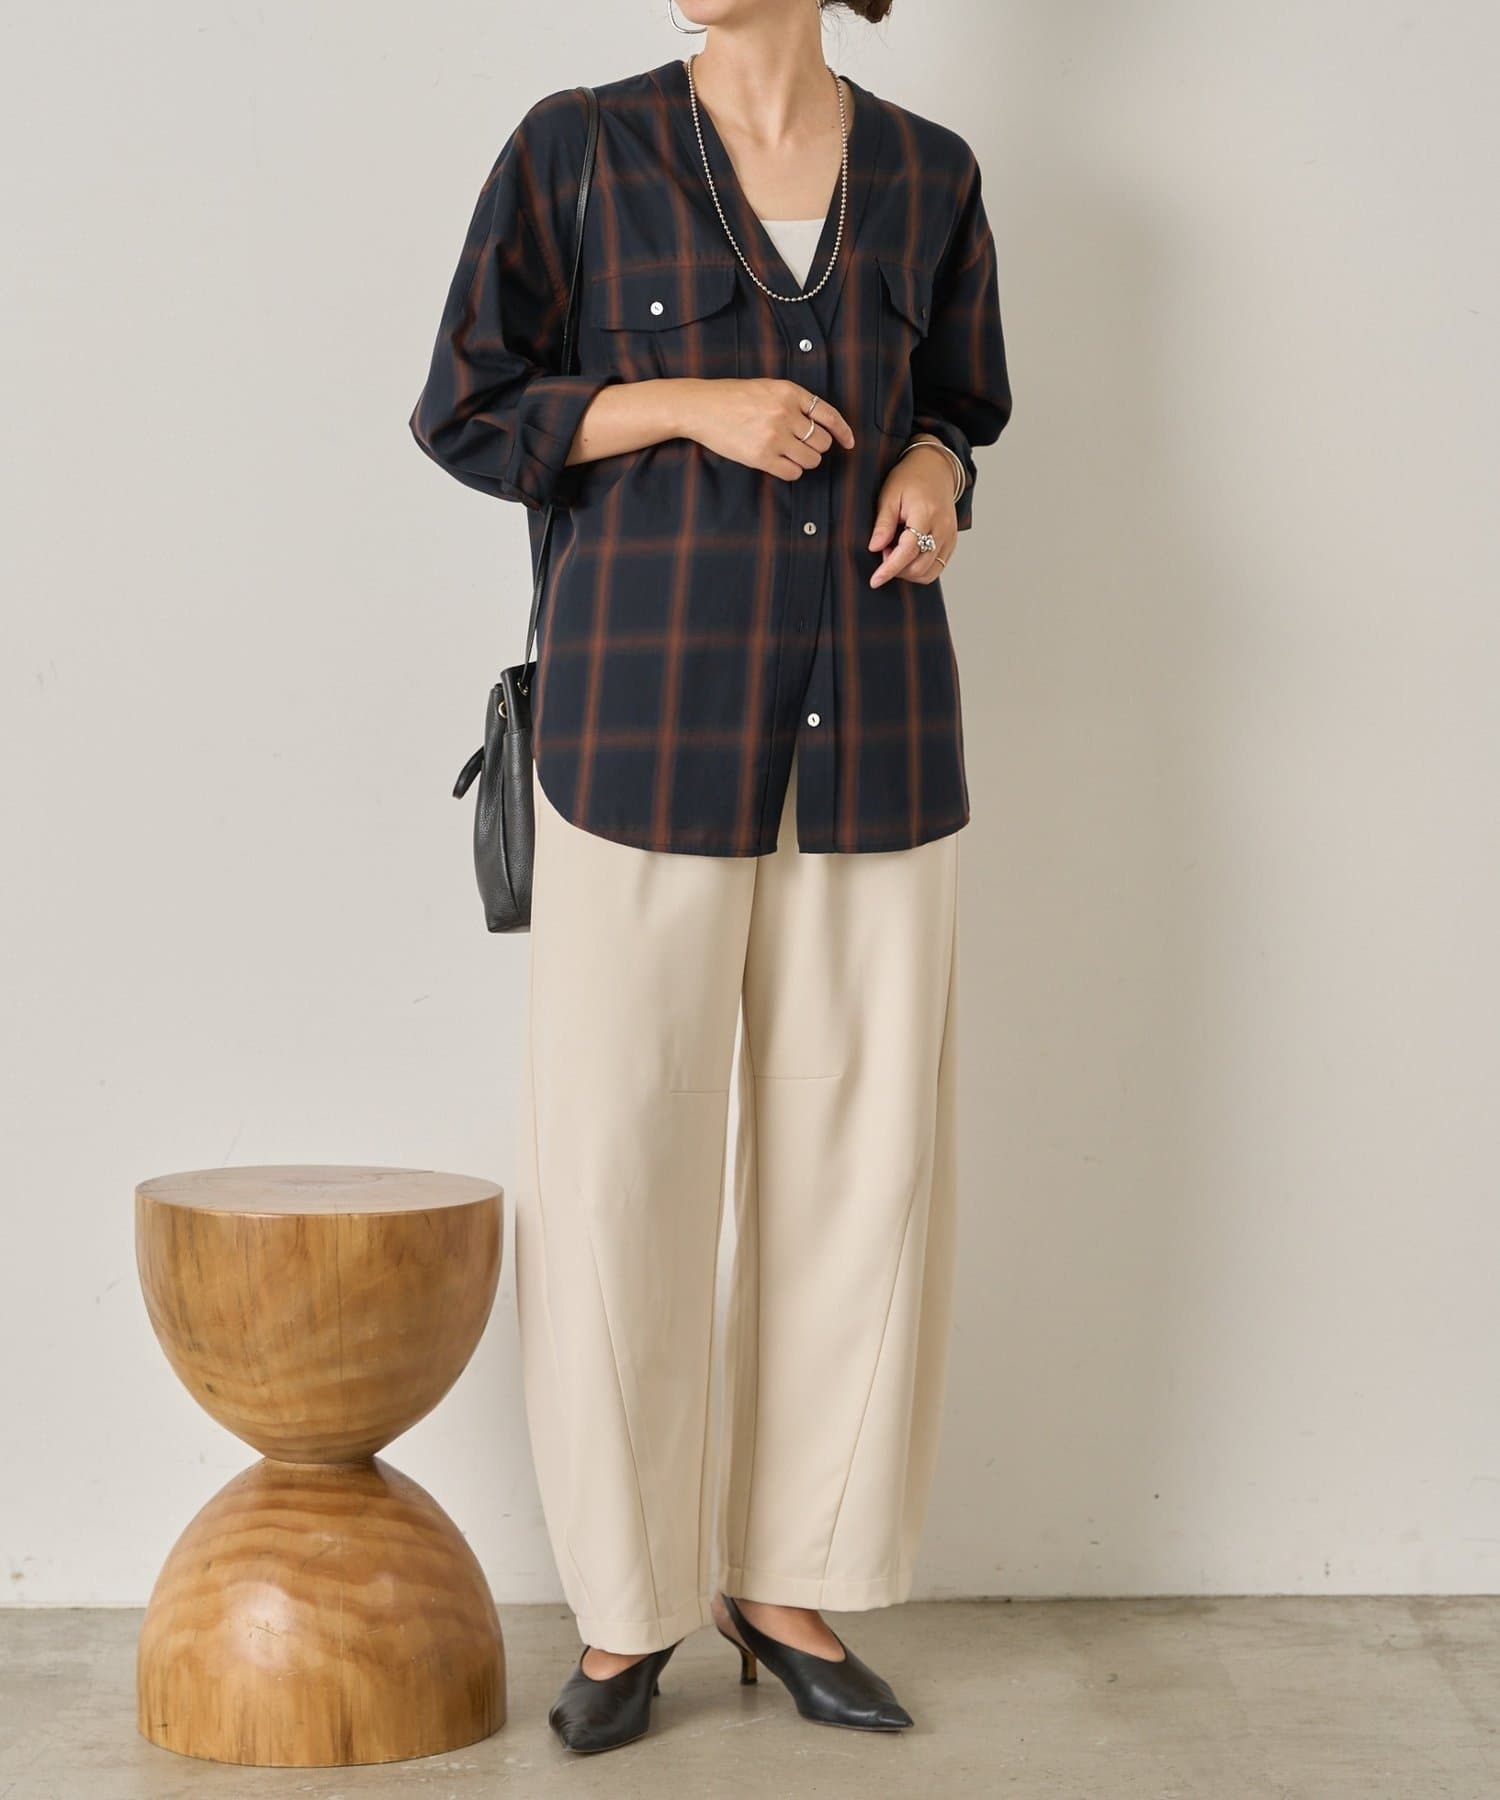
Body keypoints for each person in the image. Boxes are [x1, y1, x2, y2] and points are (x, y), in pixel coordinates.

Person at [408, 0, 1011, 1755]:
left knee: (861, 1172)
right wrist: (686, 405)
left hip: (875, 736)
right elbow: (465, 408)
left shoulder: (930, 173)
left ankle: (789, 1582)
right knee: (618, 1171)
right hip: (640, 735)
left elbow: (961, 410)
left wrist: (934, 474)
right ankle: (628, 1607)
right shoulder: (579, 146)